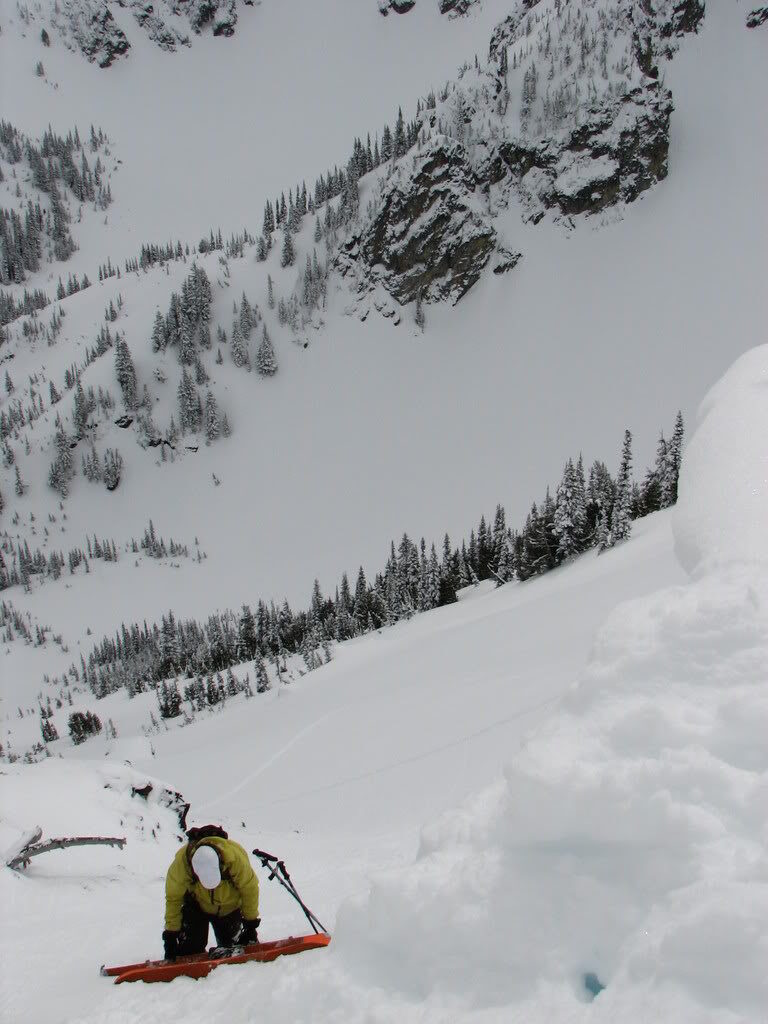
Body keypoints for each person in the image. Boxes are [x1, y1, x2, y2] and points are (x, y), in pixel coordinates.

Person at [162, 825, 261, 961]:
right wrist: (171, 935)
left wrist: (250, 925)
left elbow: (249, 889)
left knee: (232, 951)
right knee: (189, 952)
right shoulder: (182, 863)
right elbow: (173, 899)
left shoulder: (235, 858)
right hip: (196, 907)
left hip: (229, 908)